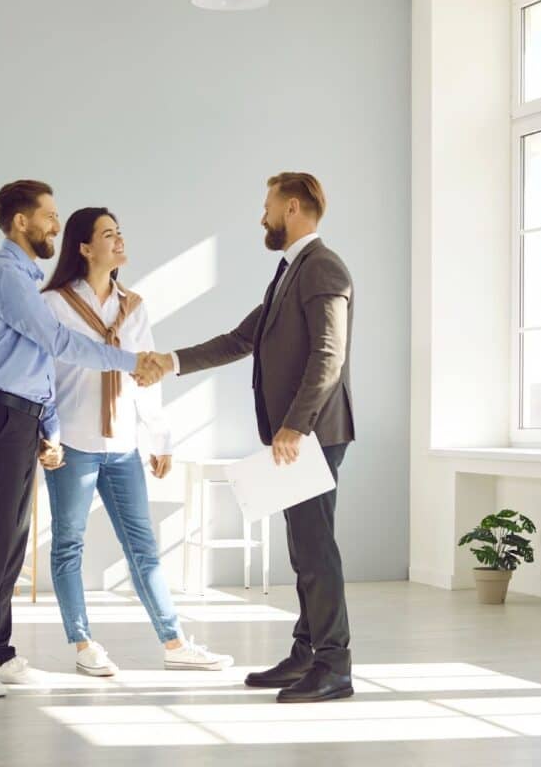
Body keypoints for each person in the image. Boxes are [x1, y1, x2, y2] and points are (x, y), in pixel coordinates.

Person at [0, 181, 163, 699]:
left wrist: (48, 428)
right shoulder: (5, 275)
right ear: (21, 222)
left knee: (14, 541)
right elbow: (56, 342)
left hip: (19, 417)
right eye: (49, 217)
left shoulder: (24, 276)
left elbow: (38, 368)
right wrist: (132, 362)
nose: (55, 227)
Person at [147, 172, 356, 703]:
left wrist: (295, 425)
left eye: (267, 207)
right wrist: (170, 362)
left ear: (291, 207)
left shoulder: (323, 267)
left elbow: (329, 356)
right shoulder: (290, 273)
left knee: (315, 550)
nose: (261, 217)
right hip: (297, 435)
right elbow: (243, 339)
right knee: (302, 547)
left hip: (312, 434)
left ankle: (335, 665)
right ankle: (306, 654)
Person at [40, 207, 233, 675]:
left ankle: (175, 642)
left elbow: (146, 374)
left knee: (143, 548)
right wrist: (46, 436)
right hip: (74, 443)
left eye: (120, 232)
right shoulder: (54, 304)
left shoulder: (135, 307)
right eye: (109, 234)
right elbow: (42, 376)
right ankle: (84, 644)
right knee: (69, 544)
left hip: (123, 443)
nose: (120, 240)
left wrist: (160, 438)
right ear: (84, 248)